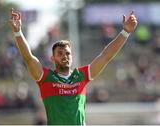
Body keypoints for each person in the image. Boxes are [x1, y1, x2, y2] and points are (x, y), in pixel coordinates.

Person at [9, 8, 137, 125]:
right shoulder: (46, 78)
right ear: (52, 59)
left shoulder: (81, 76)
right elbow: (28, 58)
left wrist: (125, 32)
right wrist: (18, 32)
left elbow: (106, 56)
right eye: (60, 53)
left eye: (68, 53)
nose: (65, 56)